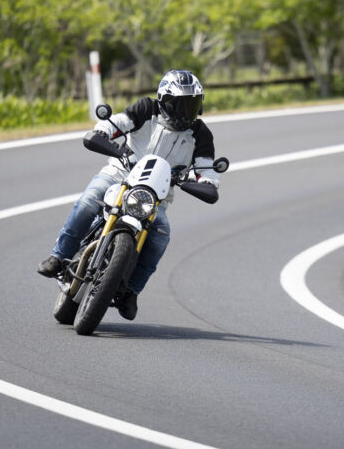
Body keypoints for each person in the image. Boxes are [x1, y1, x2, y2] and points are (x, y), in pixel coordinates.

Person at [36, 69, 220, 321]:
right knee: (90, 200)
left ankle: (131, 291)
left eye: (192, 104)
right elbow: (116, 123)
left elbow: (207, 172)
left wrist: (206, 182)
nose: (185, 111)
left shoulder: (201, 134)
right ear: (164, 101)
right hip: (120, 174)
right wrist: (104, 134)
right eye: (179, 104)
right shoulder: (146, 109)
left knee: (161, 237)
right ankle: (59, 256)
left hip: (155, 197)